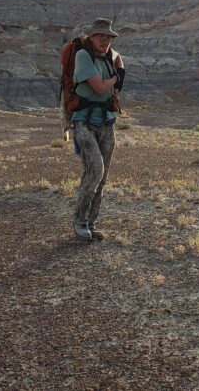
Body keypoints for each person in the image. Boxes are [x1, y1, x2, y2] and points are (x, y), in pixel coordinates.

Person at [70, 18, 126, 241]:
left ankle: (91, 224)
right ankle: (80, 222)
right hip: (84, 122)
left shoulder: (109, 57)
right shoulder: (83, 56)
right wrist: (116, 76)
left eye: (109, 38)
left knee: (102, 179)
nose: (105, 41)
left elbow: (119, 58)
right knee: (94, 172)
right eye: (101, 37)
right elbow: (100, 87)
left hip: (107, 123)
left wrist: (120, 67)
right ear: (91, 37)